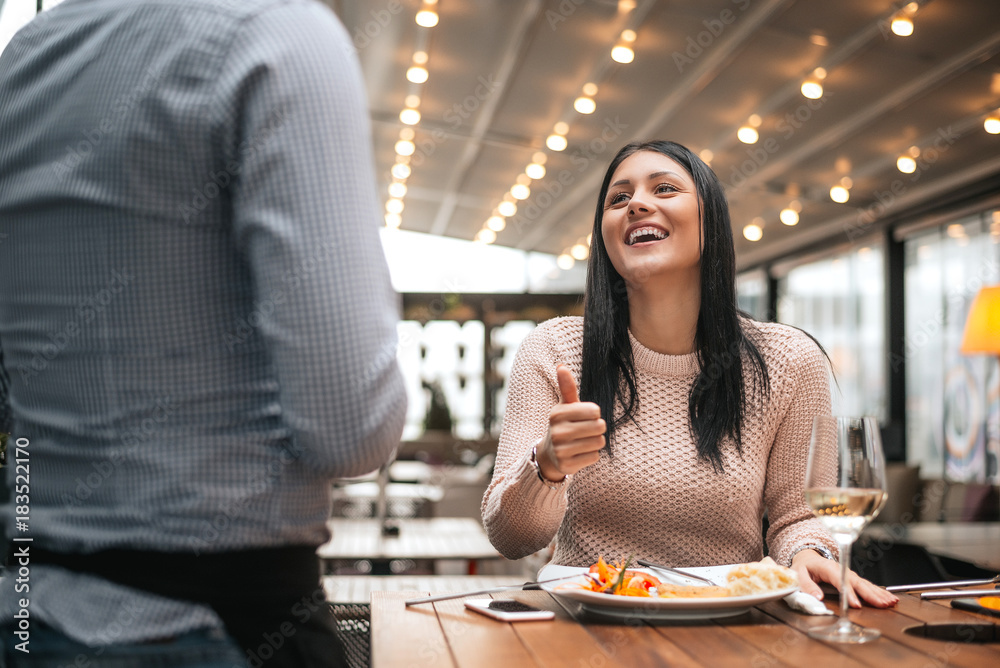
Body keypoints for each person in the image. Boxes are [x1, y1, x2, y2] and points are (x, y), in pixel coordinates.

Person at [0, 0, 407, 666]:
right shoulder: (278, 33)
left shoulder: (27, 57)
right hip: (219, 623)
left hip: (29, 610)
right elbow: (349, 426)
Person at [482, 140, 897, 609]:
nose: (636, 203)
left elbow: (797, 517)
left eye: (664, 188)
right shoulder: (556, 349)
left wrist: (809, 551)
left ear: (710, 220)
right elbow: (509, 537)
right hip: (584, 622)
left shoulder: (790, 360)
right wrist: (547, 465)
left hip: (734, 623)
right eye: (618, 199)